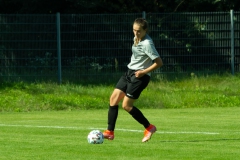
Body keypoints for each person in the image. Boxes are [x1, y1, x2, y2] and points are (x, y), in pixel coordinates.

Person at [103, 18, 163, 142]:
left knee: (126, 105)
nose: (136, 33)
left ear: (145, 30)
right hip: (130, 72)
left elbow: (159, 63)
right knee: (113, 99)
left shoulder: (147, 44)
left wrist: (143, 72)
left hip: (140, 77)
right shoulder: (136, 38)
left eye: (139, 31)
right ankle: (109, 132)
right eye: (134, 30)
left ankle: (149, 127)